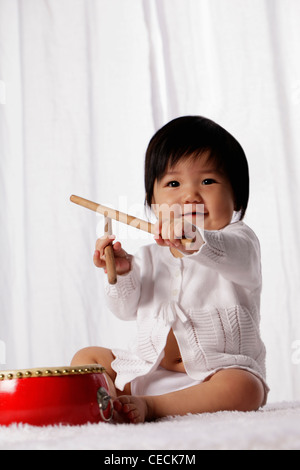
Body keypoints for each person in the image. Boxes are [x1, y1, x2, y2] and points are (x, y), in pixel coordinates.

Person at [71, 116, 269, 423]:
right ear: (153, 201)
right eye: (173, 183)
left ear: (236, 198)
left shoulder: (239, 242)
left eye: (208, 181)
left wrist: (193, 238)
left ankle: (153, 407)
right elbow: (125, 309)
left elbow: (229, 254)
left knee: (246, 387)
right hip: (148, 370)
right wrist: (120, 272)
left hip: (212, 378)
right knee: (87, 358)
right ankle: (113, 402)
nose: (189, 195)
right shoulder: (150, 255)